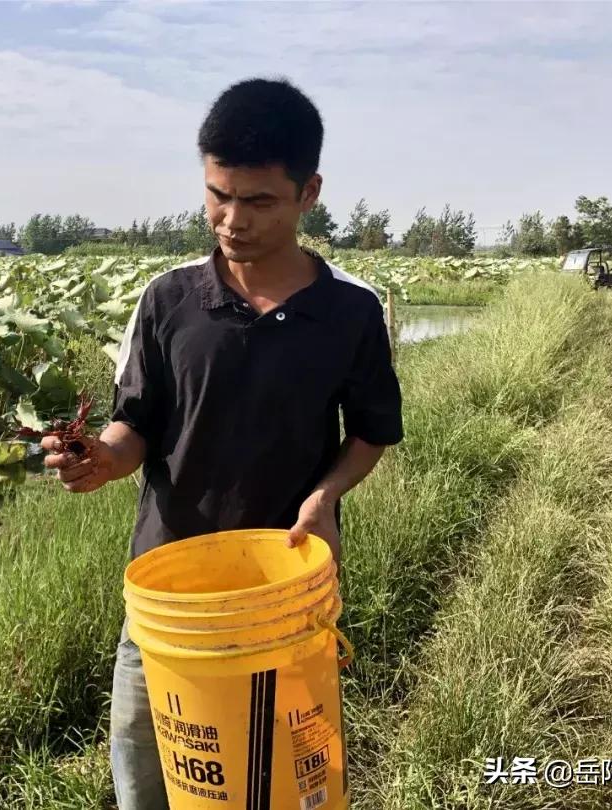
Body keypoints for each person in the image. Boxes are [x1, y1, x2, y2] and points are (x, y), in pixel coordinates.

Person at [41, 77, 403, 810]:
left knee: (273, 781)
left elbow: (370, 433)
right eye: (217, 194)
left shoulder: (349, 312)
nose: (232, 220)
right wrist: (104, 459)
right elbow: (135, 421)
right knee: (146, 779)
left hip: (283, 593)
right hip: (168, 592)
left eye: (259, 200)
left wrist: (326, 496)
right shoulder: (168, 299)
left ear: (309, 193)